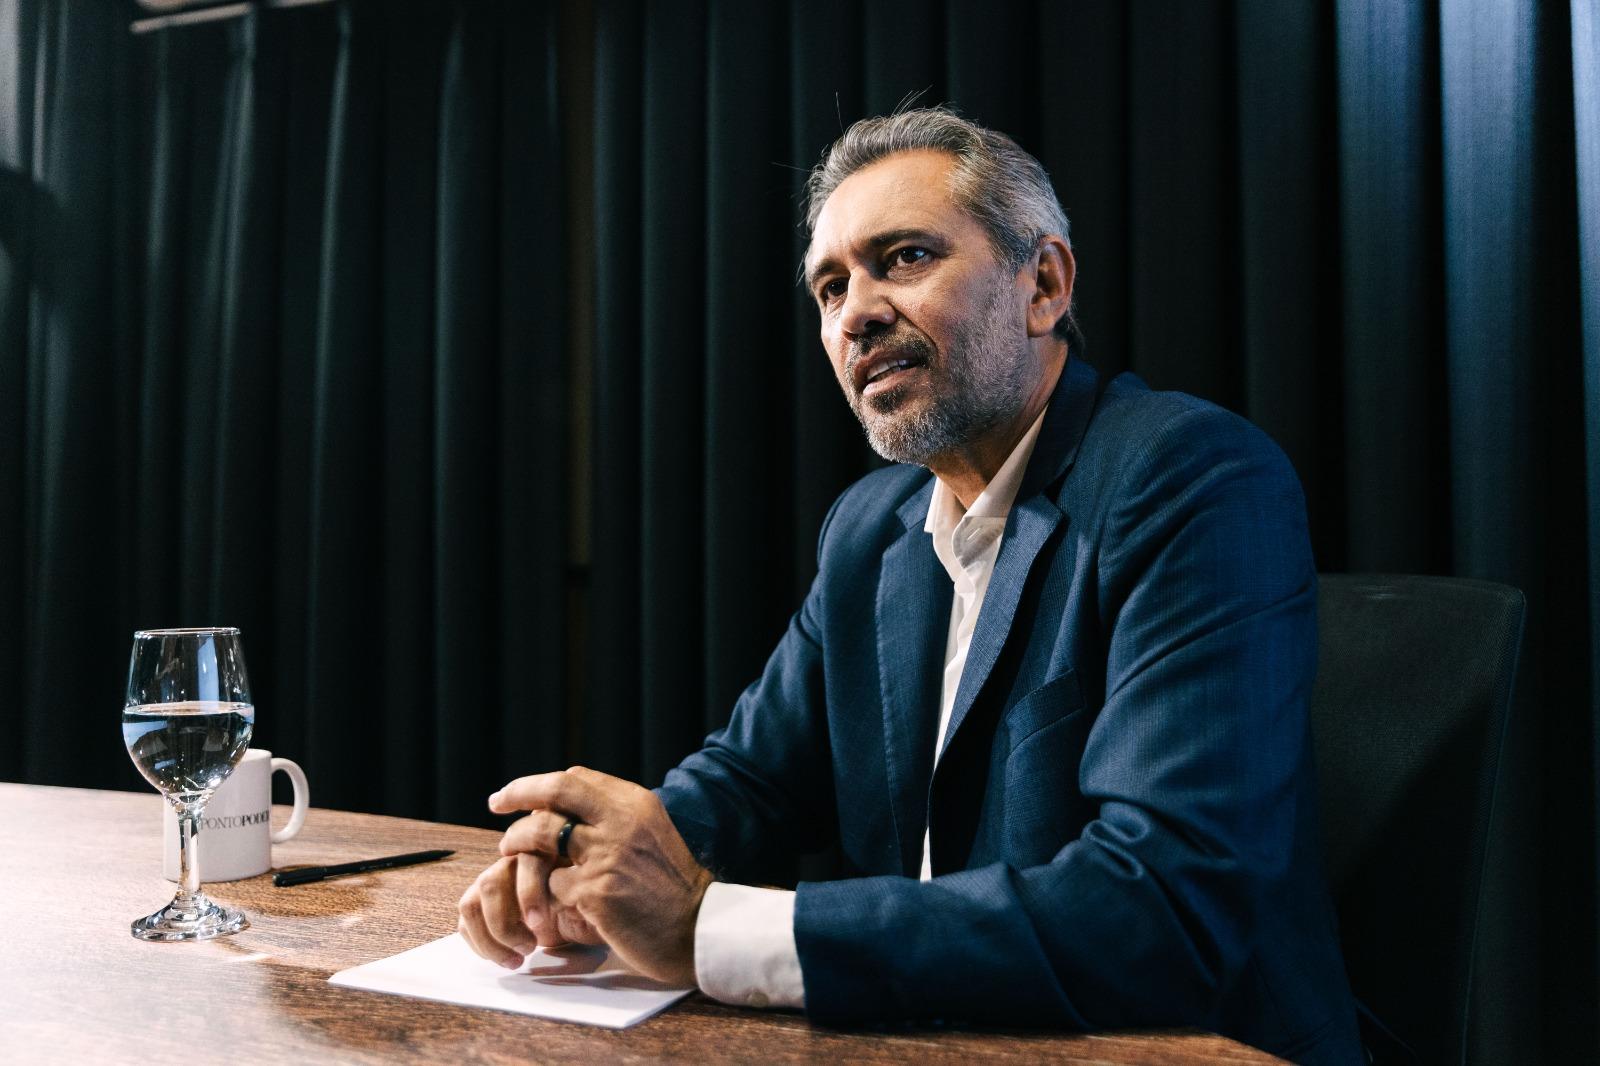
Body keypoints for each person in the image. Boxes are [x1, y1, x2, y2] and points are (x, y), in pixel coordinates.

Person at [458, 108, 1363, 1065]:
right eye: (830, 286)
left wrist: (701, 928)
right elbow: (754, 776)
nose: (855, 313)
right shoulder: (870, 528)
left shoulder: (1191, 479)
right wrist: (588, 863)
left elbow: (1166, 905)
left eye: (904, 258)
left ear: (1044, 284)